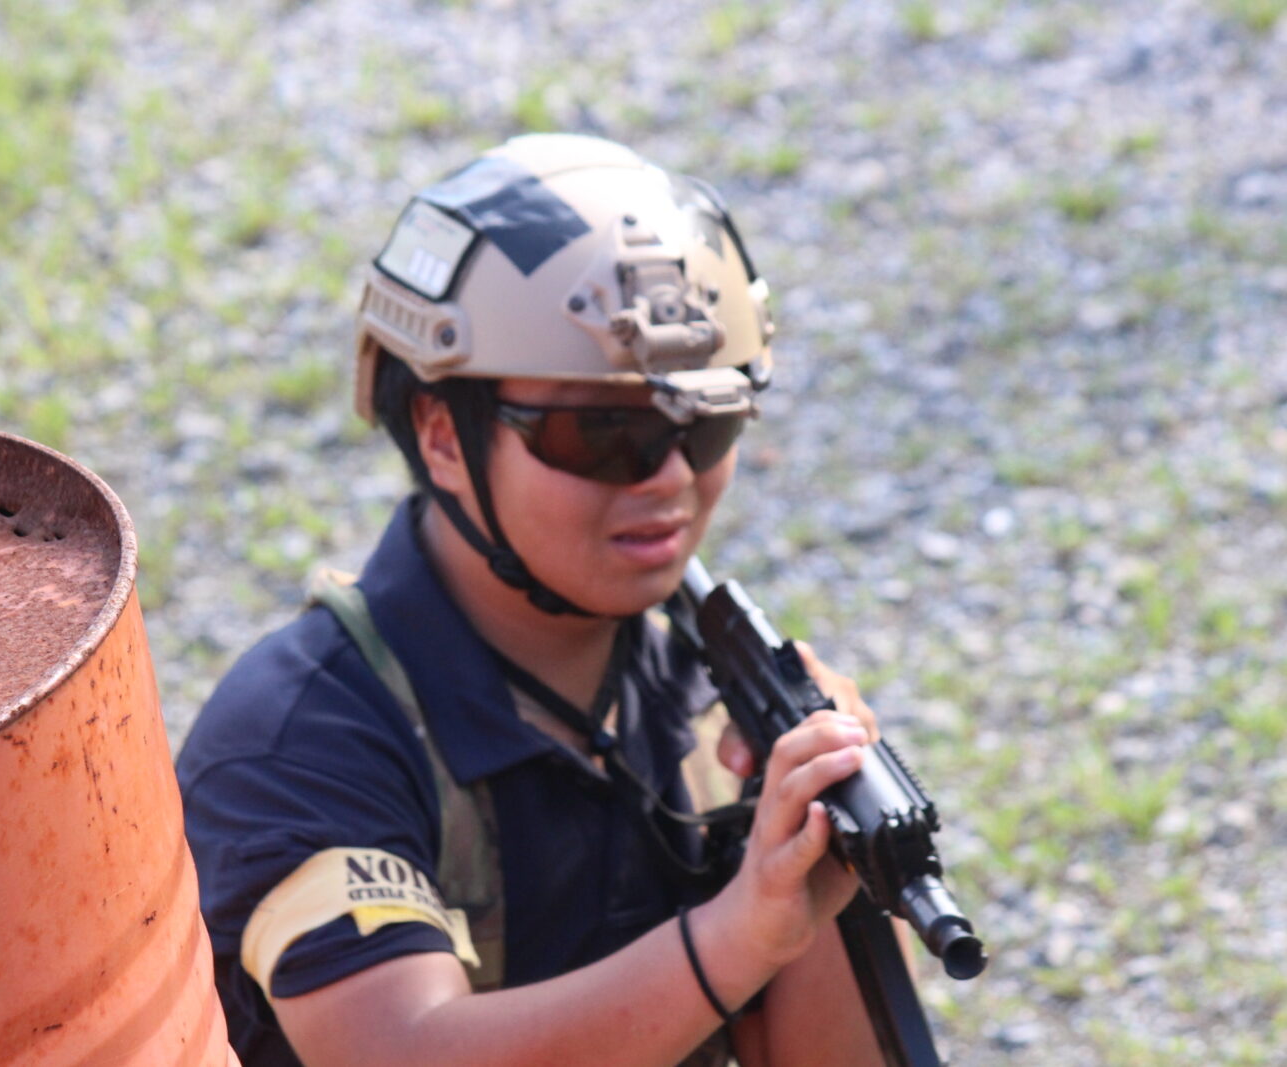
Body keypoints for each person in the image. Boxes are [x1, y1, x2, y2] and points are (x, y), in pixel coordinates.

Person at [176, 133, 889, 1066]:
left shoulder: (711, 704)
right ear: (442, 436)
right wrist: (738, 936)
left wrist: (828, 863)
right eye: (604, 433)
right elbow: (403, 1051)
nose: (671, 478)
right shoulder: (298, 742)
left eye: (708, 422)